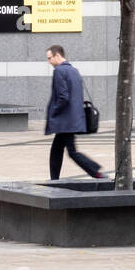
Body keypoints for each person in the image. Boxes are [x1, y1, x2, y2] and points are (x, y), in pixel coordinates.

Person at [44, 46, 105, 181]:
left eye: (50, 58)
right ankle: (54, 179)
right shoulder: (74, 70)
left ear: (58, 55)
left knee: (72, 152)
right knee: (57, 149)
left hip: (65, 120)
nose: (49, 61)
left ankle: (96, 172)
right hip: (72, 119)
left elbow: (63, 97)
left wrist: (54, 111)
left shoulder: (59, 71)